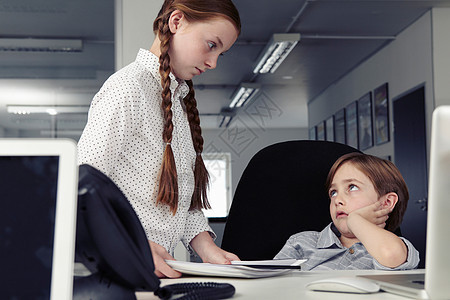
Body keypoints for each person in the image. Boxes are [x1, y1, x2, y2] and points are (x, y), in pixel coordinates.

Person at [77, 0, 241, 278]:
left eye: (220, 54)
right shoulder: (127, 88)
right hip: (118, 272)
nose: (213, 63)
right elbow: (81, 190)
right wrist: (130, 245)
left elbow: (180, 201)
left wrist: (207, 247)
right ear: (176, 22)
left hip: (157, 272)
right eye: (212, 45)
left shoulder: (178, 103)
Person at [275, 152, 420, 271]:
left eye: (352, 187)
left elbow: (391, 254)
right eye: (333, 192)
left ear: (386, 203)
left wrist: (355, 220)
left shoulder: (395, 246)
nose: (337, 199)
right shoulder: (302, 243)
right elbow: (269, 286)